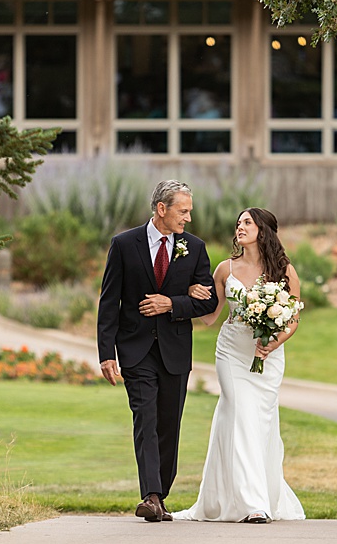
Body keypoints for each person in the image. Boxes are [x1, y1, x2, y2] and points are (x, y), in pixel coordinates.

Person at [171, 207, 305, 524]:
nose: (239, 227)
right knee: (242, 412)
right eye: (238, 223)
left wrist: (275, 341)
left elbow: (294, 317)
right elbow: (209, 317)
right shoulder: (224, 270)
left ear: (263, 229)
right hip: (231, 352)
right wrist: (190, 292)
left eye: (247, 222)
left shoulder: (284, 271)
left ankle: (240, 496)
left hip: (268, 357)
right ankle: (253, 504)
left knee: (259, 422)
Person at [98, 180, 218, 522]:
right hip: (135, 350)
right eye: (183, 211)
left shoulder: (194, 248)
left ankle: (160, 494)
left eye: (190, 211)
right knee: (145, 419)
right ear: (161, 209)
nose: (189, 219)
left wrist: (172, 303)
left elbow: (207, 301)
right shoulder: (123, 244)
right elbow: (109, 302)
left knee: (169, 424)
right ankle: (150, 495)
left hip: (175, 351)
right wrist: (107, 353)